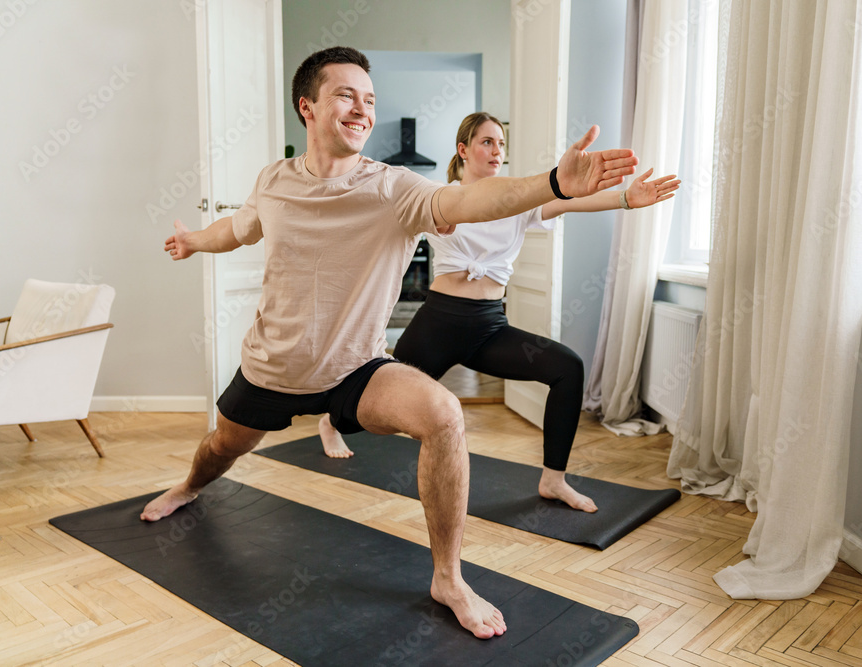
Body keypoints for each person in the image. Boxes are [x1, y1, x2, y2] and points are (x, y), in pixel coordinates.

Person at [139, 47, 637, 640]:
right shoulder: (273, 181)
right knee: (222, 448)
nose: (362, 108)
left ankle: (448, 577)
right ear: (308, 106)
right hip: (273, 368)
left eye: (370, 100)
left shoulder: (394, 188)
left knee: (444, 415)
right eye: (346, 95)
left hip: (357, 369)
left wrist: (552, 184)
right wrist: (193, 241)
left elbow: (467, 200)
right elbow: (236, 228)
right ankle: (189, 486)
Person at [320, 112, 679, 513]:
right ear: (463, 150)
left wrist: (628, 198)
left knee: (567, 368)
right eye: (487, 142)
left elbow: (572, 201)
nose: (497, 151)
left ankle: (553, 479)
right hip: (439, 324)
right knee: (376, 408)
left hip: (489, 327)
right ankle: (332, 423)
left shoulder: (518, 200)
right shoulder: (441, 196)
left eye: (502, 144)